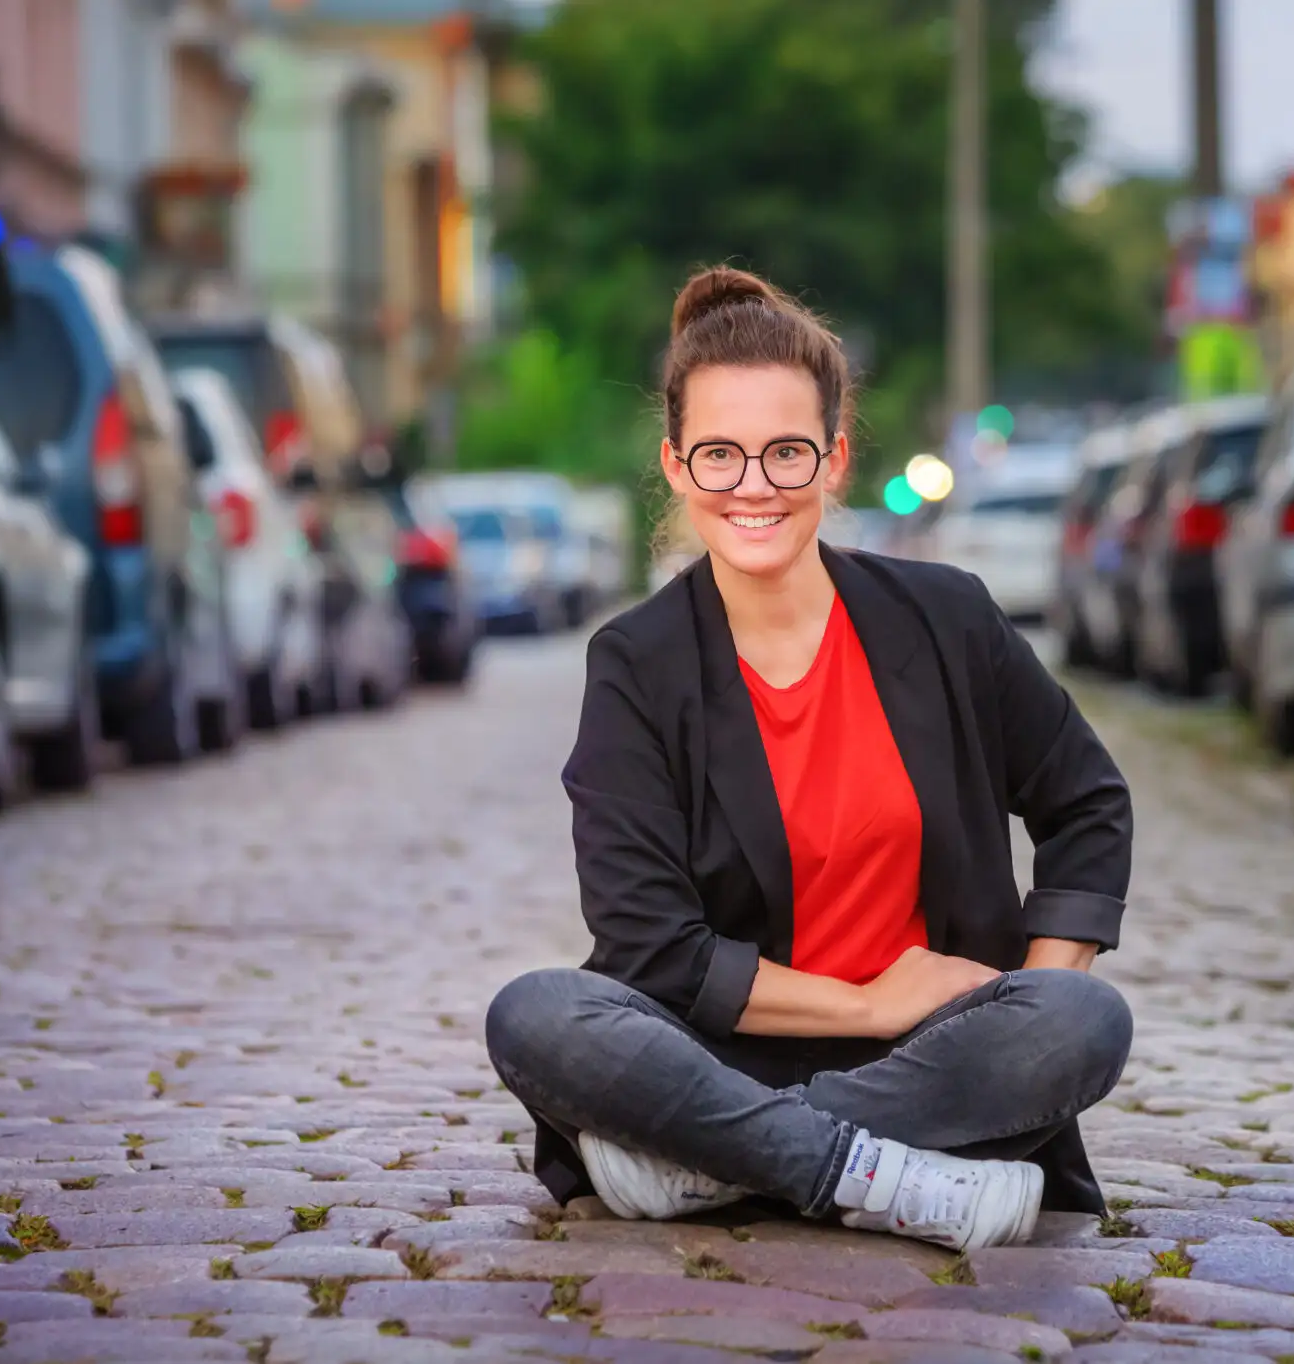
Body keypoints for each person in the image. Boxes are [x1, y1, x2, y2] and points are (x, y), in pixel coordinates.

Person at [484, 265, 1135, 1253]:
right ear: (674, 465)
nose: (753, 487)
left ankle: (711, 1167)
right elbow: (650, 942)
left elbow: (1085, 804)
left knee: (1080, 1018)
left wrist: (1011, 998)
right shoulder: (635, 665)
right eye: (719, 456)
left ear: (833, 461)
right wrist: (867, 1001)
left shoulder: (945, 618)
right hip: (711, 1062)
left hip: (929, 1060)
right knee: (535, 1012)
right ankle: (878, 1175)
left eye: (785, 453)